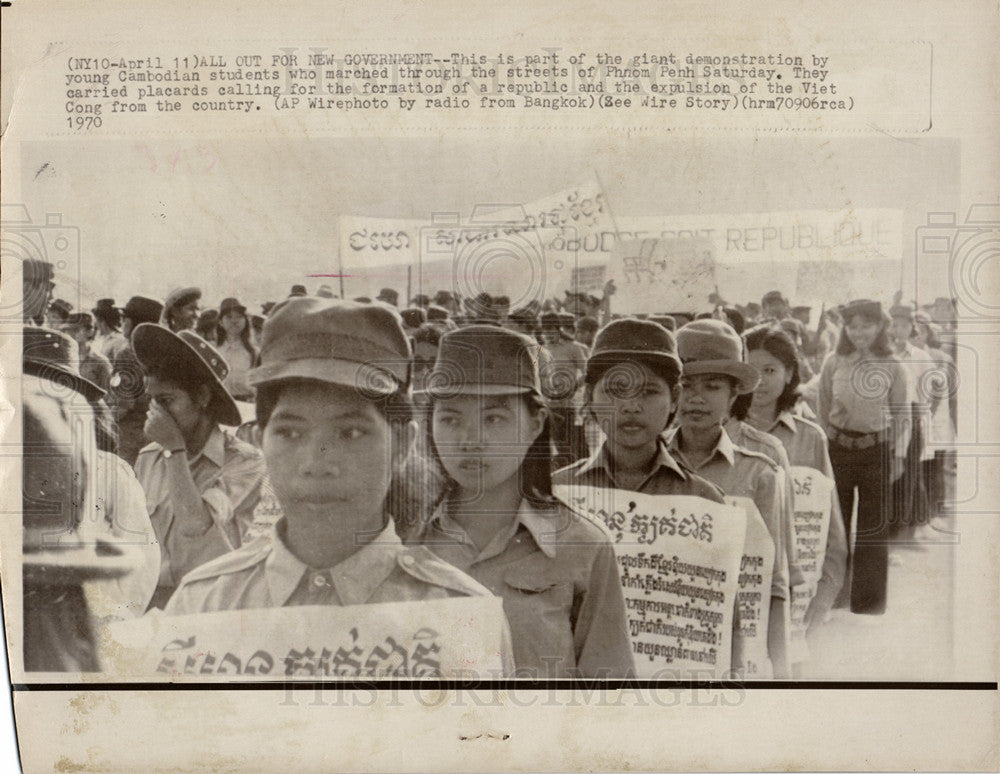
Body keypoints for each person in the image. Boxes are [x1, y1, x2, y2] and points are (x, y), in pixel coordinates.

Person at [164, 298, 505, 624]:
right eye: (290, 434)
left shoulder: (460, 617)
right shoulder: (202, 606)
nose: (317, 464)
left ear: (402, 443)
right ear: (258, 440)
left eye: (351, 433)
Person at [414, 325, 633, 678]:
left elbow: (611, 703)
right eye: (450, 418)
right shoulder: (402, 540)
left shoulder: (583, 545)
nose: (470, 440)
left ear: (536, 424)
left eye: (494, 418)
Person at [664, 318, 791, 677]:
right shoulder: (646, 463)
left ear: (734, 395)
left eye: (713, 386)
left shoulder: (760, 474)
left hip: (735, 652)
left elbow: (775, 583)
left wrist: (783, 676)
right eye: (685, 385)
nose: (696, 398)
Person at [132, 324, 265, 609]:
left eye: (167, 401)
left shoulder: (243, 461)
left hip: (214, 603)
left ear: (202, 397)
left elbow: (194, 525)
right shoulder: (148, 458)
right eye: (153, 401)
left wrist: (174, 450)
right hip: (153, 601)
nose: (157, 413)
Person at [740, 325, 847, 634]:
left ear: (789, 374)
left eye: (770, 369)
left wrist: (824, 594)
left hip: (795, 592)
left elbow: (832, 530)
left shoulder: (811, 438)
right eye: (749, 369)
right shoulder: (720, 433)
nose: (758, 380)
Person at [554, 318, 724, 503]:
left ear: (675, 398)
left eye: (649, 391)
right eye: (615, 390)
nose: (631, 406)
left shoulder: (704, 499)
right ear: (589, 396)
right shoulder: (557, 492)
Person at [817, 299, 910, 615]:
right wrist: (824, 452)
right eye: (852, 325)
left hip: (877, 452)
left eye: (866, 325)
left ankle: (868, 603)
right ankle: (833, 596)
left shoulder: (893, 365)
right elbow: (822, 407)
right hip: (838, 450)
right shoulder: (833, 361)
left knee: (873, 527)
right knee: (835, 526)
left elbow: (901, 414)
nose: (859, 332)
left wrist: (897, 455)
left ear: (880, 326)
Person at [888, 303, 933, 539]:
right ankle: (885, 528)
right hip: (886, 417)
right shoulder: (883, 355)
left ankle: (900, 529)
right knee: (887, 474)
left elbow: (928, 393)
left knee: (909, 474)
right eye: (894, 325)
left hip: (912, 417)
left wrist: (920, 420)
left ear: (911, 329)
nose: (898, 330)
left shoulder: (921, 357)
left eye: (903, 326)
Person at [107, 295, 164, 466]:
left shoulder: (127, 354)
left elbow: (124, 404)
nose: (122, 323)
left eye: (124, 318)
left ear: (131, 322)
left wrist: (102, 419)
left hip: (130, 437)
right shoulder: (163, 352)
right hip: (158, 433)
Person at [216, 297, 258, 401]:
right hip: (220, 403)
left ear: (245, 321)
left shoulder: (254, 353)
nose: (234, 321)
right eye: (229, 317)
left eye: (239, 316)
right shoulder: (213, 350)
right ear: (220, 322)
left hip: (248, 404)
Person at [59, 311, 112, 393]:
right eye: (67, 330)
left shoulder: (100, 362)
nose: (70, 334)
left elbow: (109, 396)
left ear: (90, 332)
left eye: (76, 330)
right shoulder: (62, 358)